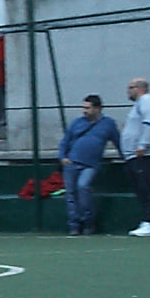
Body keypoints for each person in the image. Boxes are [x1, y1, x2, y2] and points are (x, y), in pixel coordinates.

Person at [58, 95, 121, 236]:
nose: (84, 111)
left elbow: (118, 141)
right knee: (71, 194)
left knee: (82, 186)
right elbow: (65, 141)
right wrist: (62, 157)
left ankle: (88, 222)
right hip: (72, 162)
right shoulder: (76, 123)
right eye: (83, 107)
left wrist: (126, 157)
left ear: (97, 108)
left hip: (90, 164)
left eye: (87, 108)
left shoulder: (108, 124)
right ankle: (74, 225)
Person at [124, 76, 150, 236]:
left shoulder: (147, 100)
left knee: (148, 188)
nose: (128, 91)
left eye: (131, 87)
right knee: (142, 189)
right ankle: (148, 221)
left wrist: (143, 145)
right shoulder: (138, 105)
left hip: (146, 155)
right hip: (136, 156)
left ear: (140, 88)